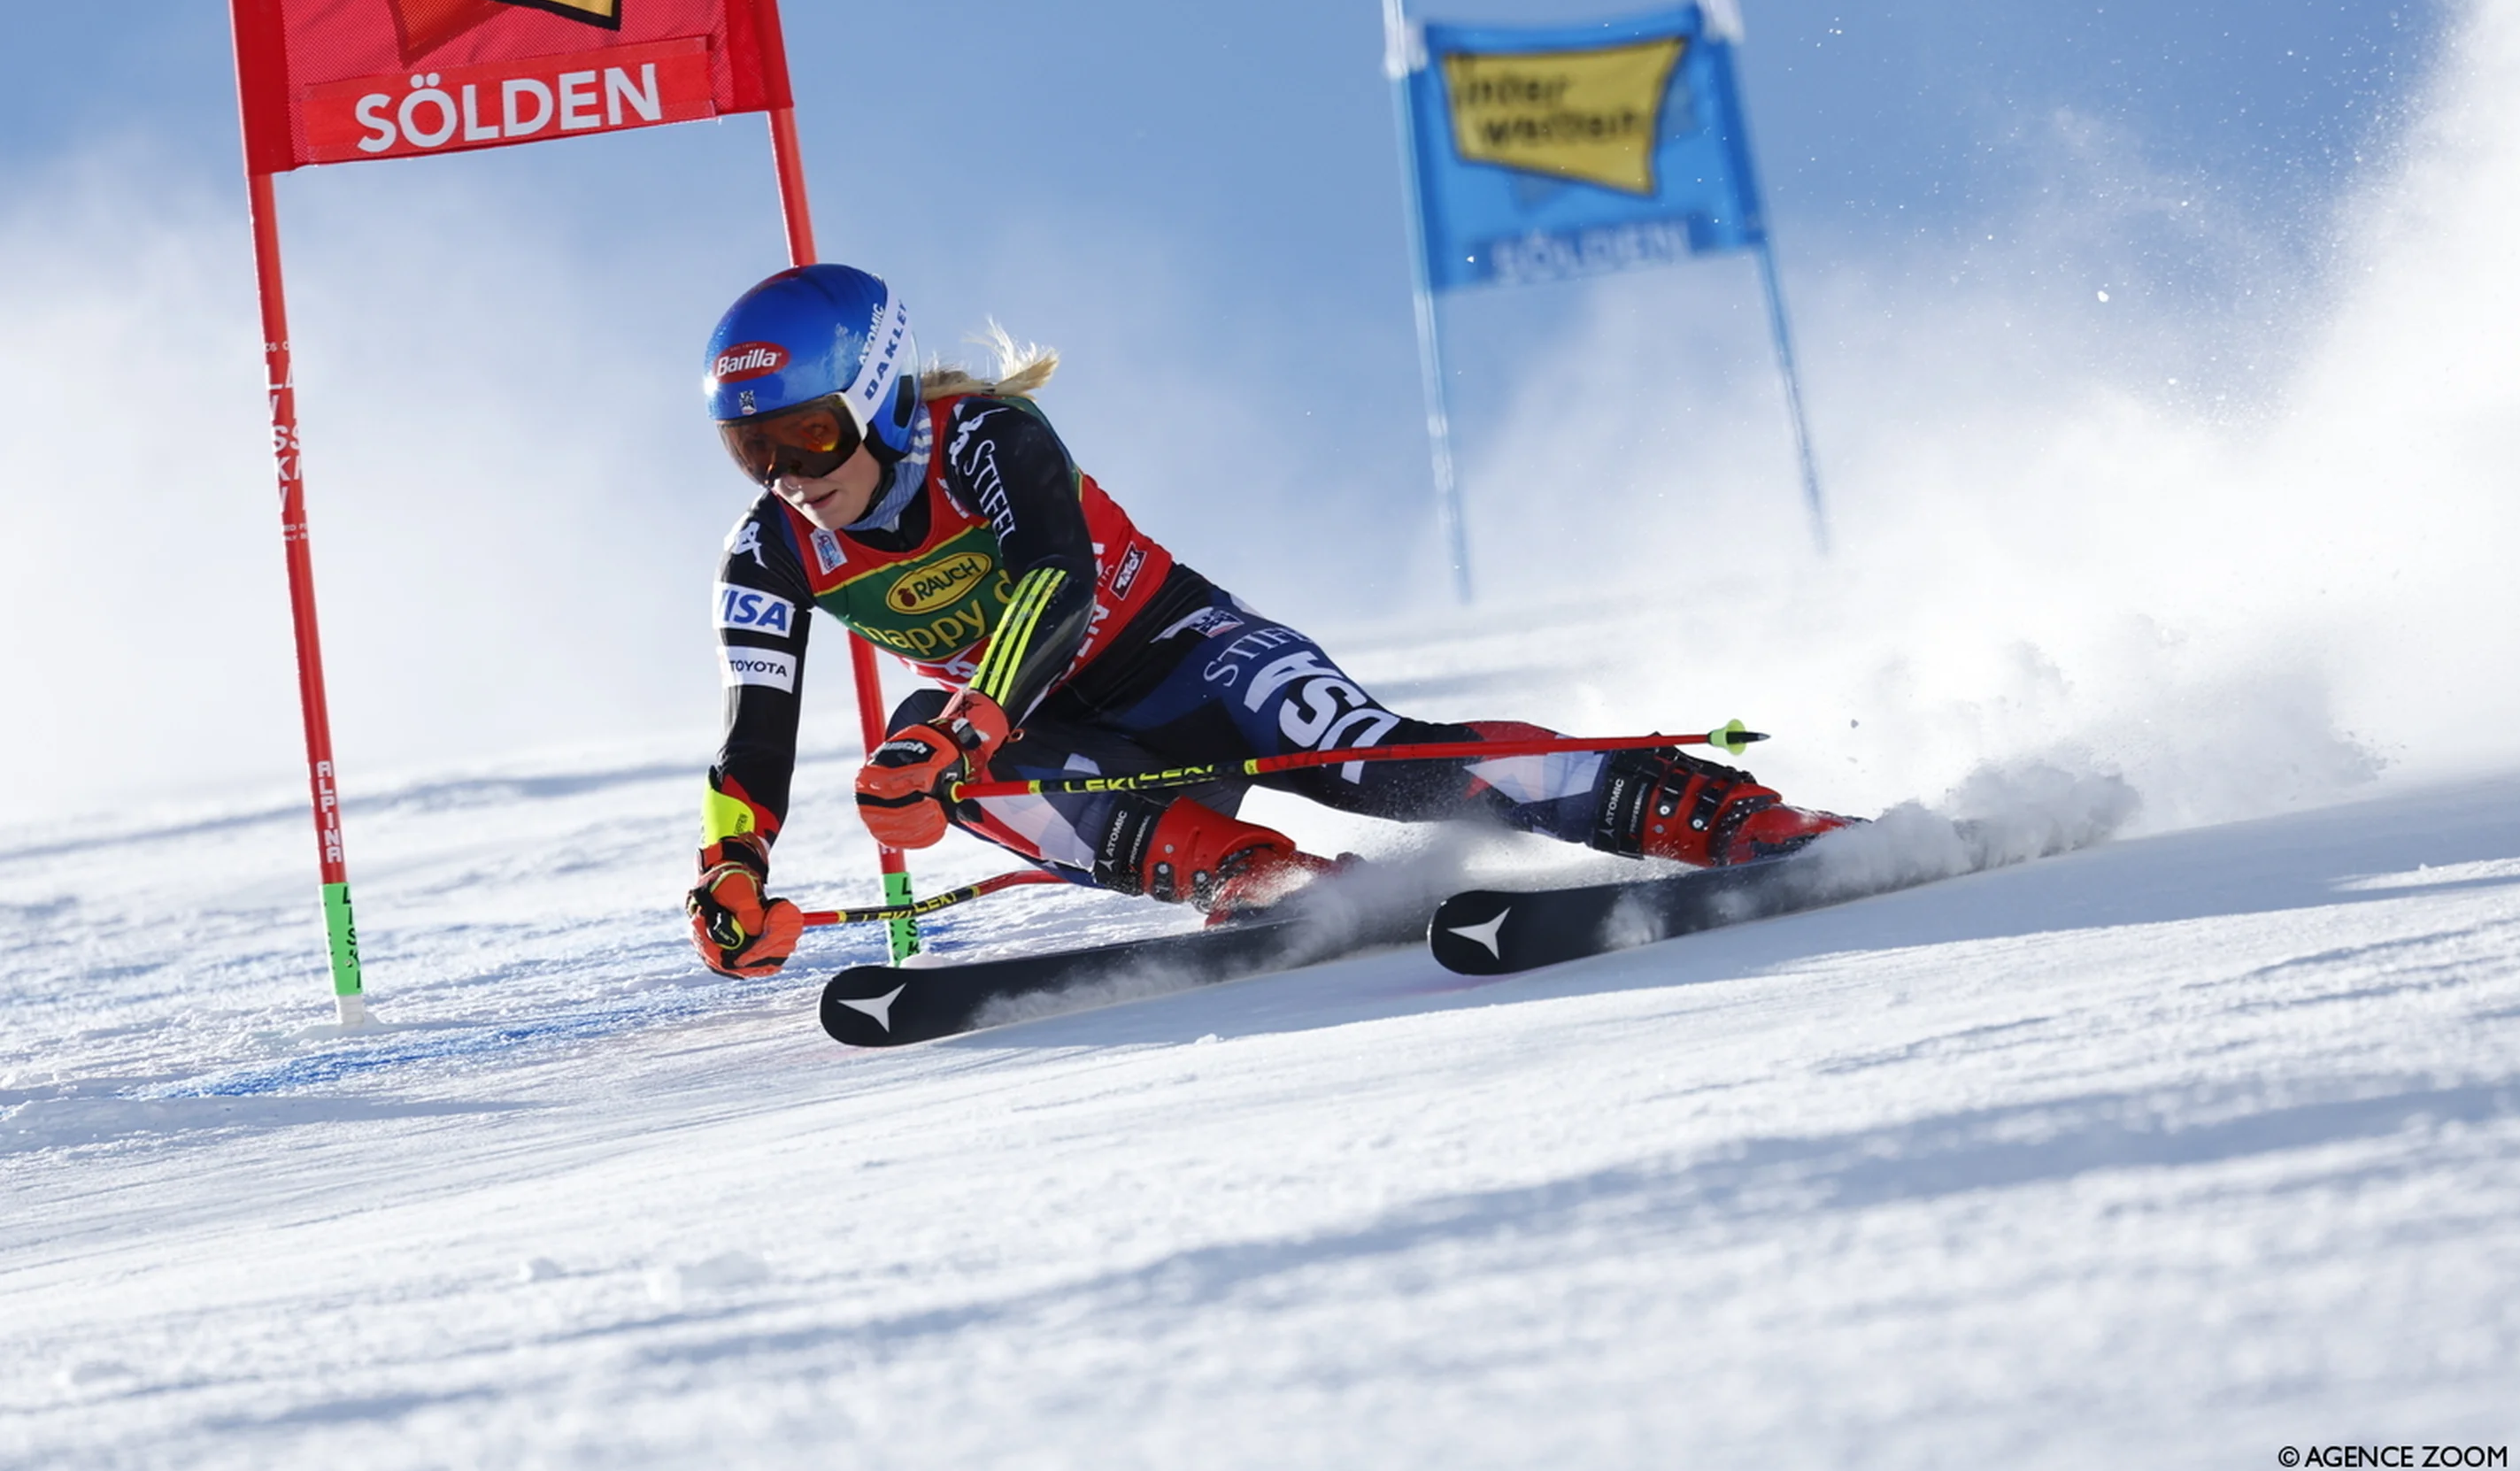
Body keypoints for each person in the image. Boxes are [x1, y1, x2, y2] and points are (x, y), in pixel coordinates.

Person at [685, 265, 1848, 977]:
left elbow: (1057, 581)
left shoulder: (987, 436)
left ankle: (1722, 813)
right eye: (753, 450)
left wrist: (967, 718)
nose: (790, 474)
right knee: (926, 759)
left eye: (810, 434)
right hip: (1062, 739)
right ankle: (1256, 878)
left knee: (1375, 764)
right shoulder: (769, 548)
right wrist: (732, 866)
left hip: (1192, 659)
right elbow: (755, 729)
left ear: (882, 394)